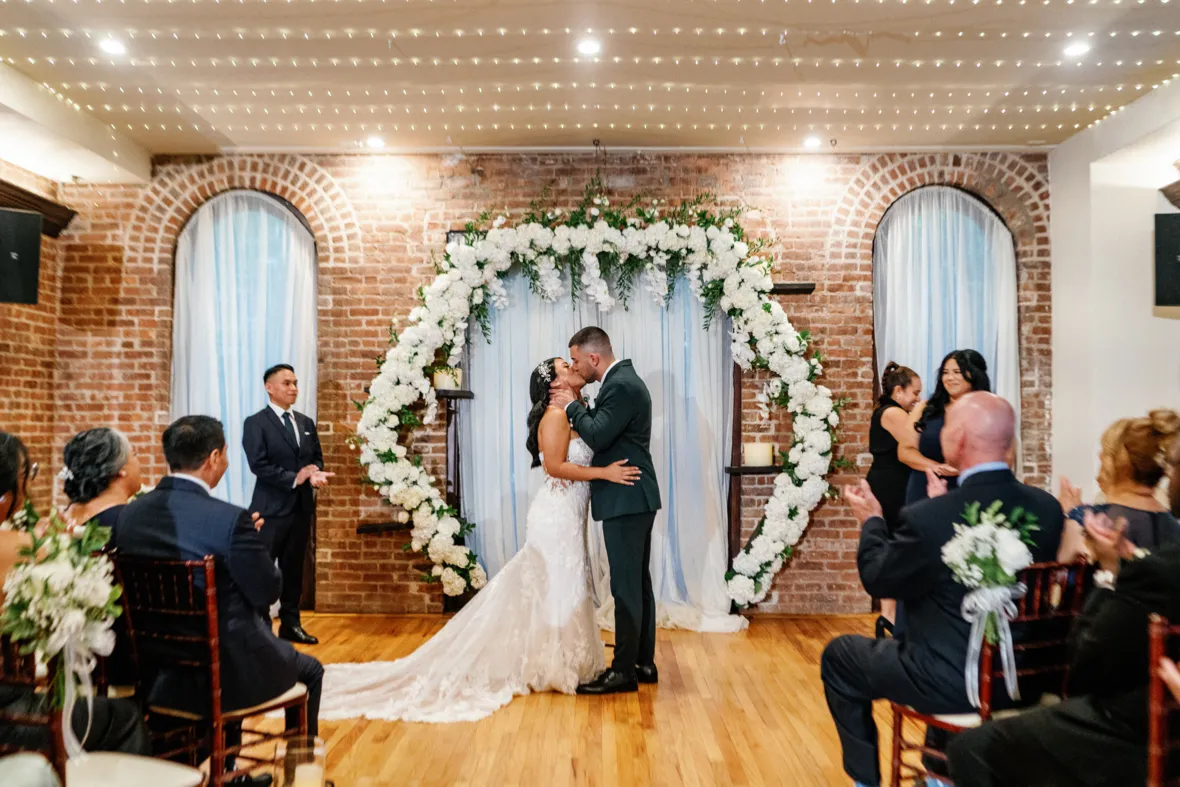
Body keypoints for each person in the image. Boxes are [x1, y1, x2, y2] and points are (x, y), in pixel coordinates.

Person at [309, 358, 640, 723]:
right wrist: (605, 473)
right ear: (553, 383)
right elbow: (555, 467)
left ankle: (564, 658)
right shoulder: (556, 416)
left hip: (572, 514)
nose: (573, 366)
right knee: (557, 585)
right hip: (556, 515)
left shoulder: (576, 412)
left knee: (568, 586)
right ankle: (553, 665)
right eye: (565, 365)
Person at [823, 393, 1063, 787]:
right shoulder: (1047, 509)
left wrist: (872, 522)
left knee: (840, 657)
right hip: (1024, 681)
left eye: (948, 426)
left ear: (960, 440)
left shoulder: (928, 517)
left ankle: (867, 782)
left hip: (948, 684)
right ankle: (940, 773)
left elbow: (879, 578)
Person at [115, 416, 323, 785]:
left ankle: (225, 773)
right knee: (310, 670)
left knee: (237, 642)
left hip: (157, 671)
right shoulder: (229, 519)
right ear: (213, 457)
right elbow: (267, 590)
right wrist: (252, 546)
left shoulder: (131, 515)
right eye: (225, 455)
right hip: (223, 674)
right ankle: (298, 776)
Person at [947, 510, 1180, 787]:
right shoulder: (1158, 552)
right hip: (1158, 727)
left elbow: (1086, 668)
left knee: (971, 749)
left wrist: (1108, 573)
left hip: (1138, 736)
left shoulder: (1158, 571)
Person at [0, 432, 151, 759]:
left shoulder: (37, 534)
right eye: (27, 476)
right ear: (5, 496)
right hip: (10, 713)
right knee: (124, 719)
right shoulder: (24, 547)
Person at [550, 326, 663, 695]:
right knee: (637, 585)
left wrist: (569, 405)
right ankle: (642, 662)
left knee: (626, 587)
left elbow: (598, 436)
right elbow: (604, 430)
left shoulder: (622, 386)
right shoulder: (623, 382)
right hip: (632, 496)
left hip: (626, 496)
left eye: (578, 360)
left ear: (593, 358)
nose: (576, 367)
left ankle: (623, 673)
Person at [243, 364, 331, 645]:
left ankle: (291, 624)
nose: (294, 388)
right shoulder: (255, 423)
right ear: (269, 387)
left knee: (294, 571)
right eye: (286, 383)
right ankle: (259, 628)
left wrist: (315, 473)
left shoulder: (305, 423)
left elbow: (316, 457)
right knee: (264, 570)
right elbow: (259, 464)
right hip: (269, 510)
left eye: (295, 383)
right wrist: (296, 477)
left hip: (301, 509)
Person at [1057, 409, 1180, 562]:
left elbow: (1061, 580)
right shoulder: (1174, 526)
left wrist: (1069, 515)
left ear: (1114, 462)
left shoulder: (1088, 523)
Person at [865, 362, 924, 634]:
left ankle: (890, 617)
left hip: (892, 483)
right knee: (893, 549)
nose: (917, 399)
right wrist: (923, 411)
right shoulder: (891, 412)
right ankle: (889, 617)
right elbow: (916, 441)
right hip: (890, 487)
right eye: (915, 393)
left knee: (894, 549)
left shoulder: (890, 410)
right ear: (898, 391)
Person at [902, 350, 991, 505]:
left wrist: (964, 469)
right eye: (945, 373)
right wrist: (936, 467)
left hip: (969, 488)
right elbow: (905, 451)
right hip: (924, 487)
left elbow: (998, 454)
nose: (950, 378)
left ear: (974, 375)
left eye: (957, 372)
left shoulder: (988, 410)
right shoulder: (924, 408)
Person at [59, 427, 143, 535]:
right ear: (121, 469)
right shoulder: (130, 523)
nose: (138, 462)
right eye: (134, 455)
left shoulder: (63, 519)